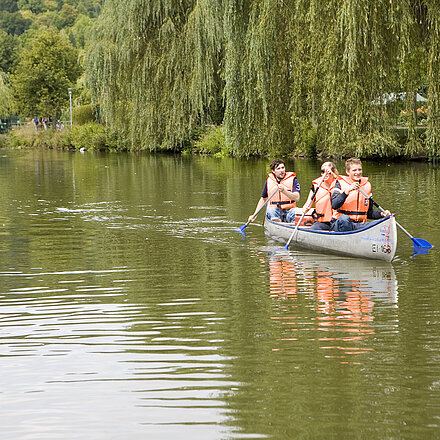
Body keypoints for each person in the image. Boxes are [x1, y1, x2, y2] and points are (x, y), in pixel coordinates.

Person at [331, 158, 390, 232]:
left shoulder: (367, 186)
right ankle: (347, 240)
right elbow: (334, 205)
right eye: (354, 170)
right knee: (344, 219)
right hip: (341, 223)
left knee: (382, 223)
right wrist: (347, 191)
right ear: (348, 172)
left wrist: (382, 214)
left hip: (359, 225)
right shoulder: (339, 184)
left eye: (359, 170)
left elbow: (369, 213)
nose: (358, 172)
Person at [248, 158, 300, 223]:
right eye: (278, 169)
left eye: (283, 168)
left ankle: (293, 226)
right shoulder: (269, 181)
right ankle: (279, 225)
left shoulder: (293, 180)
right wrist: (255, 215)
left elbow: (297, 198)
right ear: (273, 171)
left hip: (290, 210)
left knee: (298, 212)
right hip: (275, 210)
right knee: (271, 210)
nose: (281, 171)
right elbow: (263, 199)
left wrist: (284, 191)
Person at [299, 161, 338, 230]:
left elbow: (341, 179)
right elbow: (308, 203)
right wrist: (305, 209)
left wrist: (333, 174)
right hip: (323, 222)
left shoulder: (340, 184)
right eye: (323, 171)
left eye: (328, 172)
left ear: (333, 172)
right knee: (313, 229)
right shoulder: (316, 186)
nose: (325, 174)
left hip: (337, 221)